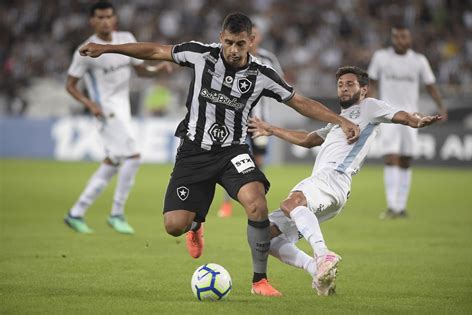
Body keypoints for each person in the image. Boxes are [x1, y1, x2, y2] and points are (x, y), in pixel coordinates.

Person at [78, 12, 360, 296]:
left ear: (251, 41)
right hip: (193, 150)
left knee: (257, 203)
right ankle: (196, 224)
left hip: (232, 152)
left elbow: (300, 102)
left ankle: (259, 280)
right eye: (228, 43)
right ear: (220, 39)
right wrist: (106, 48)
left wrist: (340, 121)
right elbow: (154, 50)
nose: (234, 50)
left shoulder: (262, 75)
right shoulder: (200, 55)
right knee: (174, 226)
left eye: (240, 44)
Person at [248, 66, 441, 296]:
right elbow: (309, 140)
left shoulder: (369, 107)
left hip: (334, 177)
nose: (344, 88)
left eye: (350, 84)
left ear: (364, 89)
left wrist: (416, 120)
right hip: (330, 186)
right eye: (340, 84)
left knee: (291, 203)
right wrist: (272, 129)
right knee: (263, 237)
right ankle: (318, 272)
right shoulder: (337, 122)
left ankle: (323, 254)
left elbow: (403, 115)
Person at [64, 1, 172, 234]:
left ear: (115, 19)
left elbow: (139, 69)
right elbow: (70, 85)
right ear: (92, 21)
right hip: (105, 111)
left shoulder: (126, 38)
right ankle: (116, 213)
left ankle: (76, 212)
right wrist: (90, 104)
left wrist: (157, 69)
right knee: (133, 156)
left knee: (113, 161)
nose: (105, 21)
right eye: (100, 18)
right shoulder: (85, 50)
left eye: (109, 17)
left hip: (123, 110)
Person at [367, 24, 447, 219]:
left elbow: (430, 85)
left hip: (412, 117)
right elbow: (372, 83)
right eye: (397, 37)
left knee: (405, 159)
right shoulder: (381, 57)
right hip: (389, 116)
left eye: (404, 37)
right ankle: (392, 206)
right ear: (392, 38)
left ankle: (401, 207)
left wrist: (441, 107)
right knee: (391, 157)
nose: (400, 41)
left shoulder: (419, 60)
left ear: (410, 39)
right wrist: (369, 107)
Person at [217, 23, 284, 218]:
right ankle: (227, 203)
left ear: (257, 38)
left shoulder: (268, 59)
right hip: (235, 119)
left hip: (259, 121)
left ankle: (256, 197)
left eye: (255, 34)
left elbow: (280, 83)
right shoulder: (233, 56)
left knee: (258, 160)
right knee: (230, 159)